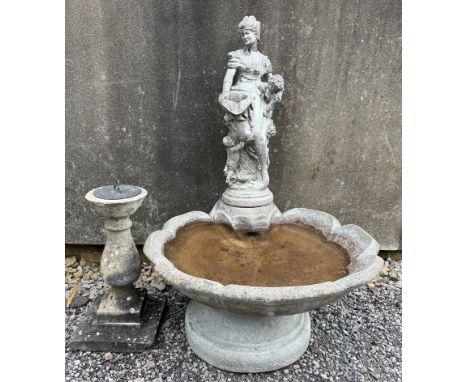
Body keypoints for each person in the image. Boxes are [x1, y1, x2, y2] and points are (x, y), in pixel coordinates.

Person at [219, 16, 283, 188]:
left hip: (258, 101)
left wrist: (276, 87)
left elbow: (271, 82)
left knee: (260, 136)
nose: (245, 36)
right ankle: (237, 172)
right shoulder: (236, 56)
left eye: (249, 33)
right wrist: (225, 98)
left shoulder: (264, 60)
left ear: (257, 35)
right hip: (239, 98)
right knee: (244, 136)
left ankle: (262, 174)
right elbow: (228, 79)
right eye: (243, 34)